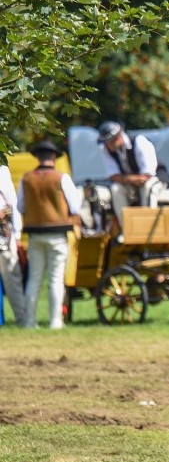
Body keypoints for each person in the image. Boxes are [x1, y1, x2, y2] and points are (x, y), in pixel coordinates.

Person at [17, 140, 82, 329]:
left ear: (37, 157)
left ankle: (29, 321)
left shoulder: (26, 178)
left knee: (34, 279)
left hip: (34, 235)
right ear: (54, 157)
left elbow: (21, 206)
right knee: (55, 279)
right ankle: (55, 321)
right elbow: (75, 205)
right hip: (57, 233)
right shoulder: (61, 178)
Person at [97, 121, 162, 232]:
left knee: (148, 188)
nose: (107, 145)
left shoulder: (140, 142)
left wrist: (126, 179)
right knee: (116, 189)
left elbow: (147, 175)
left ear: (118, 137)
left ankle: (149, 228)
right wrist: (130, 179)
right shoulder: (106, 149)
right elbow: (113, 176)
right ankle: (126, 230)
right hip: (130, 182)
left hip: (155, 179)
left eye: (110, 141)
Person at [0, 164, 28, 326]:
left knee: (12, 276)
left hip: (3, 232)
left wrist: (17, 234)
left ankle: (23, 319)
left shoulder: (1, 168)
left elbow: (11, 201)